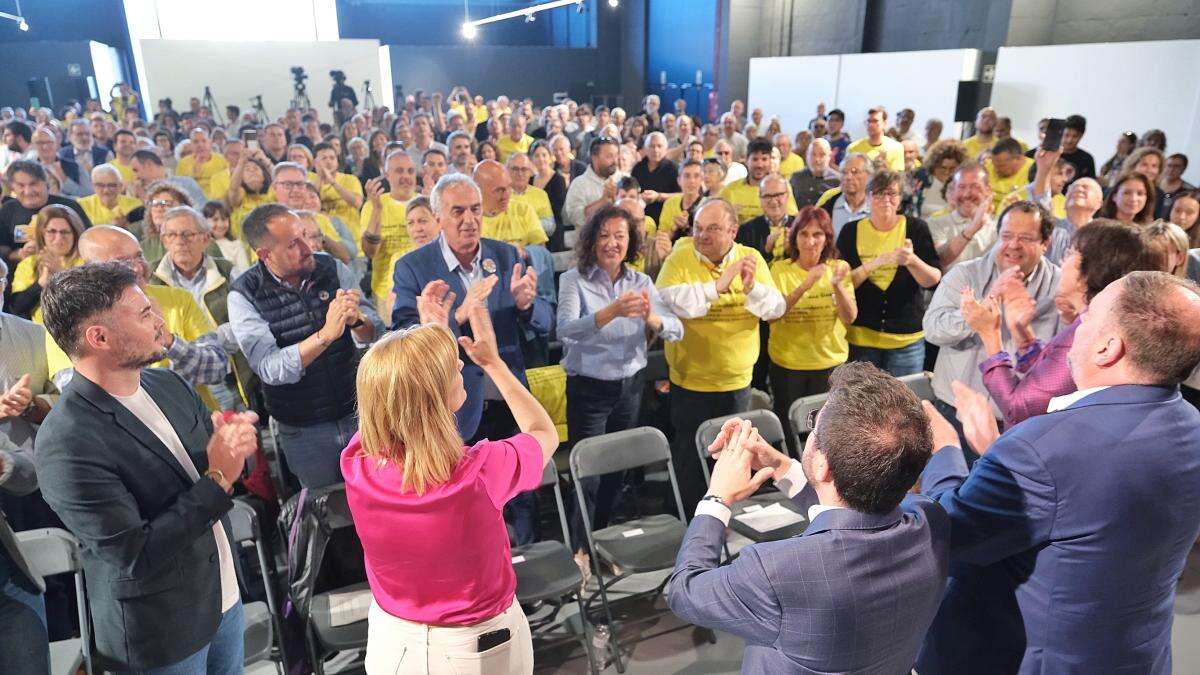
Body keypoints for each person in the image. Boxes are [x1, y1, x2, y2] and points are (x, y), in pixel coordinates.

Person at [919, 271, 1200, 675]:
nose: (1076, 324)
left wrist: (943, 449)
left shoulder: (1042, 448)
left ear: (1108, 348)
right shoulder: (1189, 424)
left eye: (1089, 315)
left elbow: (952, 534)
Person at [36, 262, 260, 673]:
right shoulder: (66, 440)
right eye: (143, 314)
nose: (159, 321)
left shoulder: (169, 384)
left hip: (223, 601)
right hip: (162, 633)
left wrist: (235, 452)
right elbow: (134, 554)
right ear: (98, 337)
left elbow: (217, 476)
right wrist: (218, 477)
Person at [668, 362, 949, 674]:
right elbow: (846, 507)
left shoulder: (775, 571)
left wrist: (716, 498)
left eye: (816, 425)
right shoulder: (930, 521)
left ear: (822, 466)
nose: (812, 432)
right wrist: (780, 467)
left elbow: (685, 590)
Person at [342, 302, 556, 675]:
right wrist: (493, 364)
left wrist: (431, 335)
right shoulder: (481, 473)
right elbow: (543, 432)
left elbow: (392, 396)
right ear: (434, 399)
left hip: (391, 645)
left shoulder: (356, 463)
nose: (460, 365)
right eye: (450, 367)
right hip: (472, 651)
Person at [390, 174, 551, 543]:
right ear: (438, 217)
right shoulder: (413, 267)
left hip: (509, 396)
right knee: (471, 501)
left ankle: (527, 573)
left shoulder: (505, 254)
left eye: (476, 209)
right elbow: (402, 336)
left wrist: (527, 306)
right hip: (454, 404)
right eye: (457, 210)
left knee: (524, 491)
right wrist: (457, 315)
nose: (469, 219)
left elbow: (544, 324)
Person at [556, 205, 682, 556]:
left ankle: (602, 544)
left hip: (629, 388)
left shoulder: (641, 282)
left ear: (631, 242)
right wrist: (609, 312)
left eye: (620, 236)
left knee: (617, 471)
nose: (612, 243)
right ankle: (579, 551)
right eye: (604, 235)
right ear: (592, 240)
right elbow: (565, 331)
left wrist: (653, 318)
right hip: (589, 391)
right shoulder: (573, 279)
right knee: (588, 474)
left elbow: (676, 329)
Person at [227, 204, 379, 488]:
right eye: (294, 244)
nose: (308, 247)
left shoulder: (331, 268)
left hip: (359, 413)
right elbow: (269, 368)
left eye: (306, 236)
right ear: (265, 254)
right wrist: (325, 336)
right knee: (328, 513)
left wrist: (358, 321)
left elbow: (374, 333)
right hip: (305, 428)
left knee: (376, 497)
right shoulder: (244, 294)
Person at [656, 198, 785, 512]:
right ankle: (689, 523)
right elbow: (666, 301)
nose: (702, 235)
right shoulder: (680, 256)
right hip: (690, 383)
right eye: (699, 228)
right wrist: (717, 286)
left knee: (733, 461)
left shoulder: (750, 257)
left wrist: (751, 287)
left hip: (736, 383)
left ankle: (729, 521)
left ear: (733, 231)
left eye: (712, 228)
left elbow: (776, 309)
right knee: (689, 463)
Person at [925, 201, 1062, 438]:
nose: (1013, 245)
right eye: (1006, 235)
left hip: (1022, 420)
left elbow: (1063, 358)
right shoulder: (965, 274)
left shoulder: (1059, 287)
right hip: (956, 409)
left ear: (1045, 244)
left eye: (1026, 238)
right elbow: (933, 330)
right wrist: (985, 305)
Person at [767, 207, 856, 455]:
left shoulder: (839, 268)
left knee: (826, 431)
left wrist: (837, 286)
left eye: (817, 234)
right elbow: (774, 315)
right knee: (791, 430)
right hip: (789, 364)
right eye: (803, 234)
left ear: (827, 237)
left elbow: (850, 317)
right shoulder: (779, 270)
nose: (810, 241)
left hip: (829, 363)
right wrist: (807, 283)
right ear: (794, 237)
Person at [838, 170, 942, 376]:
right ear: (867, 197)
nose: (886, 199)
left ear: (900, 198)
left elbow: (933, 281)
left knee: (902, 404)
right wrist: (874, 264)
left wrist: (912, 261)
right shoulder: (850, 231)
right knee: (863, 403)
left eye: (892, 194)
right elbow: (842, 283)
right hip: (861, 339)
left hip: (906, 341)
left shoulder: (916, 227)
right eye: (878, 193)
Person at [0, 161, 91, 265]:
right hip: (21, 272)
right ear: (12, 187)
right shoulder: (7, 210)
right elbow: (3, 248)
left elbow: (87, 241)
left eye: (33, 184)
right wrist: (19, 254)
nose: (28, 191)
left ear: (46, 183)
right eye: (21, 185)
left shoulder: (69, 206)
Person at [8, 206, 86, 319]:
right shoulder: (29, 263)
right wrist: (41, 283)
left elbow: (87, 307)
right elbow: (16, 308)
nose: (58, 238)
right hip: (38, 332)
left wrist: (60, 276)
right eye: (52, 232)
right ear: (42, 234)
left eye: (65, 232)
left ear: (75, 234)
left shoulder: (87, 262)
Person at [927, 162, 996, 268]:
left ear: (988, 190)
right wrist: (973, 228)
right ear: (953, 190)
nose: (967, 194)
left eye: (974, 186)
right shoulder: (935, 224)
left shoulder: (999, 227)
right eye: (961, 187)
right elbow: (939, 260)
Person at [721, 138, 799, 225]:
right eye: (755, 159)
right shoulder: (730, 189)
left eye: (764, 159)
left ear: (770, 161)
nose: (759, 165)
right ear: (746, 160)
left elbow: (792, 219)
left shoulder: (782, 187)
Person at [564, 135, 620, 231]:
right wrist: (603, 201)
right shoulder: (579, 184)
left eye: (616, 155)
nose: (615, 161)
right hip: (588, 242)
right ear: (594, 158)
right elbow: (573, 217)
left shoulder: (624, 179)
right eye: (609, 156)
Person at [311, 142, 365, 234]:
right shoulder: (310, 180)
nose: (329, 161)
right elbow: (308, 205)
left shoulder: (350, 179)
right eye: (324, 158)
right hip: (323, 233)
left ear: (337, 162)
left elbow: (357, 203)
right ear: (315, 162)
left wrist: (333, 182)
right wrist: (319, 177)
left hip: (351, 232)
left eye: (332, 158)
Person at [818, 153, 871, 237]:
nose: (848, 177)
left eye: (854, 172)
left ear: (868, 176)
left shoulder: (878, 207)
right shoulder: (828, 207)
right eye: (844, 172)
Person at [630, 132, 679, 222]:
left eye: (659, 146)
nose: (655, 150)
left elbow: (681, 195)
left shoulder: (673, 169)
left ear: (666, 149)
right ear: (645, 149)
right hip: (639, 217)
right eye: (652, 146)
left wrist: (659, 196)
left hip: (665, 218)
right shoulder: (638, 168)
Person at [131, 149, 205, 206]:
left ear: (149, 164)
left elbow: (202, 210)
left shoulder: (186, 184)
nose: (136, 177)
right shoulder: (136, 191)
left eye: (136, 170)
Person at [31, 127, 89, 197]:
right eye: (40, 143)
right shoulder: (28, 169)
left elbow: (88, 194)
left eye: (49, 142)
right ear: (33, 145)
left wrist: (64, 179)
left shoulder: (76, 166)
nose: (45, 146)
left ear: (56, 144)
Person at [507, 152, 555, 239]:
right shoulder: (501, 195)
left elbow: (550, 227)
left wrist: (523, 224)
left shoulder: (541, 194)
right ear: (507, 171)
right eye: (515, 169)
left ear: (530, 172)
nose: (520, 173)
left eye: (524, 169)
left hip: (534, 246)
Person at [78, 163, 143, 227]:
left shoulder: (135, 206)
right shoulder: (81, 206)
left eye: (112, 185)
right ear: (93, 186)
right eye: (100, 185)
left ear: (120, 186)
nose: (106, 190)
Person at [174, 127, 228, 202]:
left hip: (219, 202)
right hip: (193, 202)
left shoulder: (221, 160)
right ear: (191, 145)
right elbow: (180, 188)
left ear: (209, 143)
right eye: (196, 142)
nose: (200, 145)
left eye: (204, 141)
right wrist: (194, 171)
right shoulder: (183, 163)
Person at [846, 107, 905, 172]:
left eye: (875, 121)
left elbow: (896, 178)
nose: (870, 125)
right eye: (868, 121)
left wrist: (884, 166)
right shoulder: (853, 148)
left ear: (884, 123)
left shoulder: (896, 147)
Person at [201, 201, 252, 276]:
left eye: (224, 219)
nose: (220, 224)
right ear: (204, 221)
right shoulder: (200, 245)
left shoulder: (236, 244)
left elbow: (244, 272)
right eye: (215, 219)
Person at [985, 138, 1033, 211]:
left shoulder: (1034, 171)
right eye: (994, 165)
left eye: (1001, 166)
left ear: (1019, 159)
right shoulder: (988, 167)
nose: (996, 170)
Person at [1158, 153, 1193, 218]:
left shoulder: (1188, 191)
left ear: (1183, 169)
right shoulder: (1154, 184)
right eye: (1169, 165)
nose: (1171, 170)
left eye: (1176, 166)